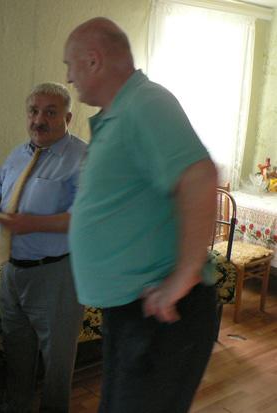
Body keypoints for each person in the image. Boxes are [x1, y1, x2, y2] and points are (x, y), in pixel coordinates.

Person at [63, 17, 219, 413]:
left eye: (70, 65)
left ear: (94, 60)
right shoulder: (120, 113)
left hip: (162, 313)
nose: (68, 77)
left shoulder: (146, 103)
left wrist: (182, 277)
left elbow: (200, 177)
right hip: (133, 310)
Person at [0, 82, 86, 412]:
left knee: (57, 361)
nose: (39, 120)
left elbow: (84, 218)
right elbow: (0, 190)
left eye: (50, 113)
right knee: (17, 351)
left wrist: (31, 223)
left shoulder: (82, 158)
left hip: (56, 273)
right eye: (33, 111)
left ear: (67, 117)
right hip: (12, 269)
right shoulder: (17, 154)